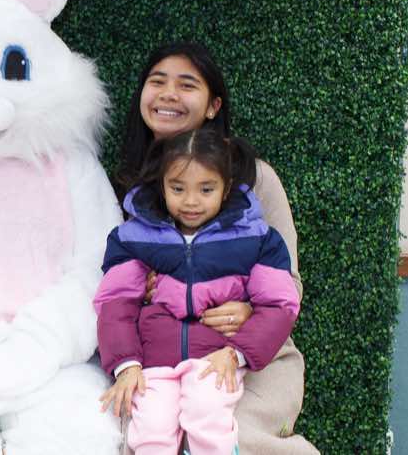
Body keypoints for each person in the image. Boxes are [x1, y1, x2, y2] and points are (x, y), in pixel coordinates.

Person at [111, 41, 318, 454]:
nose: (169, 94)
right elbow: (114, 292)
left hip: (244, 353)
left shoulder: (255, 178)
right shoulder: (129, 187)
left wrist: (249, 310)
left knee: (223, 433)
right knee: (137, 433)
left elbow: (286, 286)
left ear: (212, 106)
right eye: (157, 82)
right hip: (154, 356)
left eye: (187, 85)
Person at [94, 127, 300, 455]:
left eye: (206, 189)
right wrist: (126, 364)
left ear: (226, 188)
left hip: (216, 358)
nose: (191, 201)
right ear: (162, 185)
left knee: (207, 415)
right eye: (178, 188)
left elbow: (279, 304)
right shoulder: (134, 237)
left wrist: (236, 353)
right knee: (150, 429)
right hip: (153, 363)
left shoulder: (257, 238)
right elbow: (116, 303)